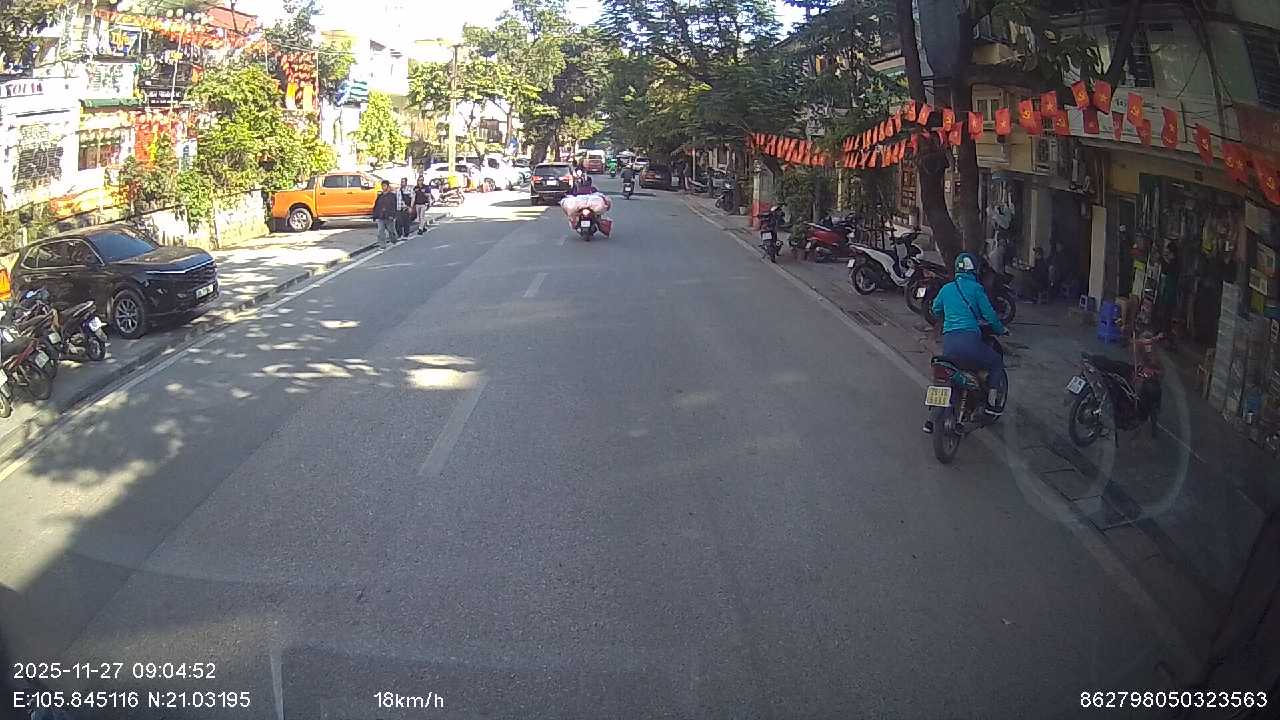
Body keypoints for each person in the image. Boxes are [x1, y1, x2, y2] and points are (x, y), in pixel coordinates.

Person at [924, 252, 1009, 433]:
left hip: (949, 344)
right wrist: (1001, 329)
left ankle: (932, 419)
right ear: (974, 270)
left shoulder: (947, 288)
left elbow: (935, 309)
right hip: (971, 343)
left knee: (949, 372)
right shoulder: (977, 289)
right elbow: (990, 315)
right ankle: (991, 405)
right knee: (996, 362)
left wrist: (948, 314)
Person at [373, 179, 398, 247]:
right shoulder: (380, 196)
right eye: (382, 186)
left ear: (388, 186)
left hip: (389, 216)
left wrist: (393, 215)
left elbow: (394, 206)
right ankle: (382, 245)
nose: (383, 187)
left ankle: (394, 239)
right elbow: (376, 206)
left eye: (384, 186)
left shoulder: (392, 195)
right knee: (380, 231)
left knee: (391, 230)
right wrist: (375, 215)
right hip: (381, 216)